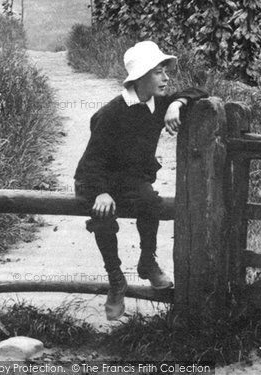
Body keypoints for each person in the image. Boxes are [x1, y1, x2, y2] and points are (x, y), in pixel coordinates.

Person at [74, 41, 208, 320]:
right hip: (95, 180)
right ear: (141, 77)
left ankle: (147, 260)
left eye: (164, 72)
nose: (166, 78)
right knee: (103, 215)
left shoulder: (158, 104)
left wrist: (177, 103)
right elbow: (92, 160)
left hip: (130, 180)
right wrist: (101, 191)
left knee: (149, 200)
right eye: (158, 72)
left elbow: (198, 91)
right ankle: (116, 279)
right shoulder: (112, 113)